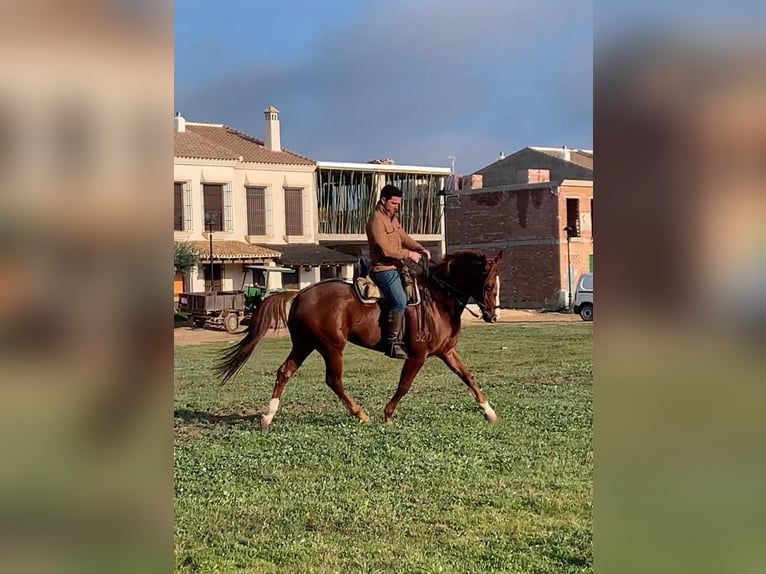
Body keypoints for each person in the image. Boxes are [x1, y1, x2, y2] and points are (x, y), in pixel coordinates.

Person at [365, 184, 431, 359]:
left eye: (398, 204)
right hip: (384, 269)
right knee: (400, 301)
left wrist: (419, 248)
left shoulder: (392, 218)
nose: (397, 206)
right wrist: (409, 254)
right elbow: (385, 250)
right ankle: (392, 343)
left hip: (398, 267)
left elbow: (403, 237)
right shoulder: (376, 220)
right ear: (383, 200)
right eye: (394, 203)